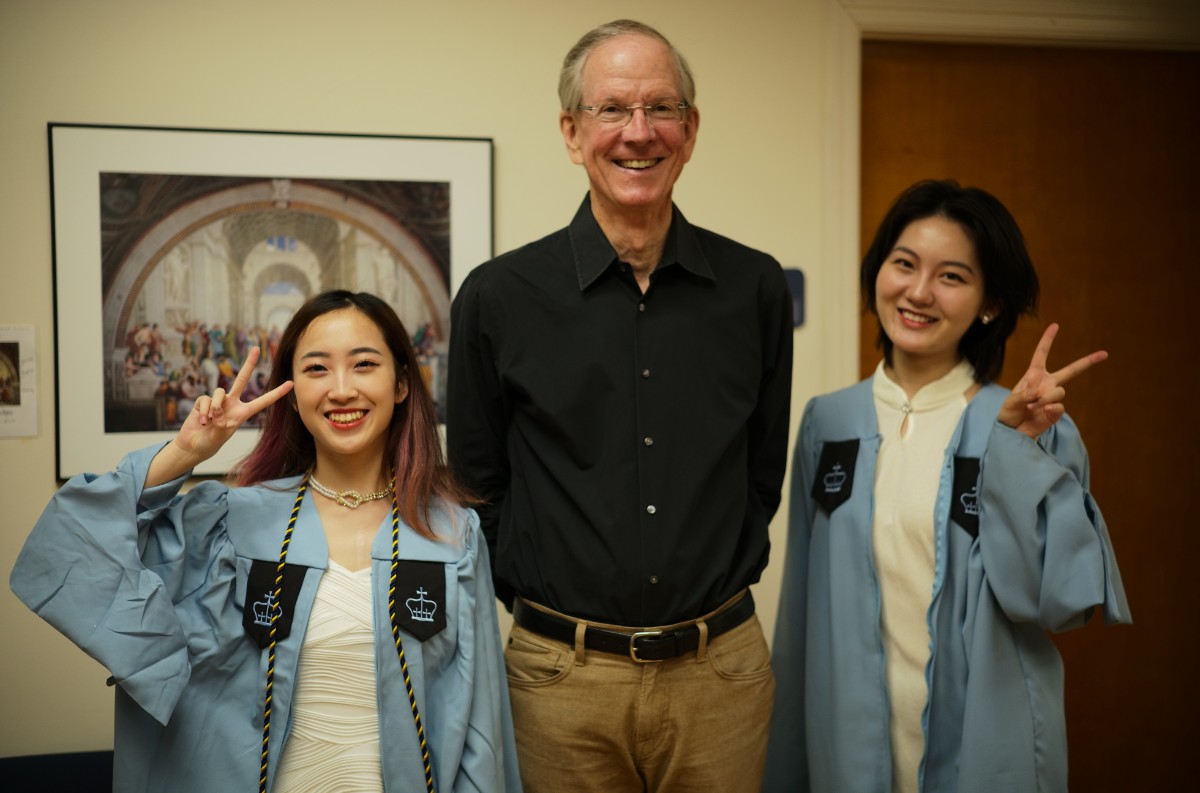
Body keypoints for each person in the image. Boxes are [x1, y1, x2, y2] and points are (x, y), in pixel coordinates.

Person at [447, 19, 793, 793]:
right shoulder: (499, 297)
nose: (639, 132)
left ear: (690, 130)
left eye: (661, 108)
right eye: (612, 109)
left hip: (720, 673)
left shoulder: (755, 288)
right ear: (572, 133)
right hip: (560, 680)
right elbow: (475, 485)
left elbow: (760, 470)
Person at [11, 290, 520, 793]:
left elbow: (481, 725)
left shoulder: (450, 535)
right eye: (317, 369)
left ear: (402, 383)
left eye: (364, 364)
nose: (342, 389)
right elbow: (73, 545)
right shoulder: (229, 526)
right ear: (291, 394)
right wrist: (184, 452)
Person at [763, 180, 1131, 792]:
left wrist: (1016, 455)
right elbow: (801, 617)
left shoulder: (1026, 426)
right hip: (846, 751)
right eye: (904, 264)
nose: (919, 292)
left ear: (989, 304)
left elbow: (1056, 604)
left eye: (952, 276)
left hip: (985, 749)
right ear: (878, 272)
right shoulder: (828, 422)